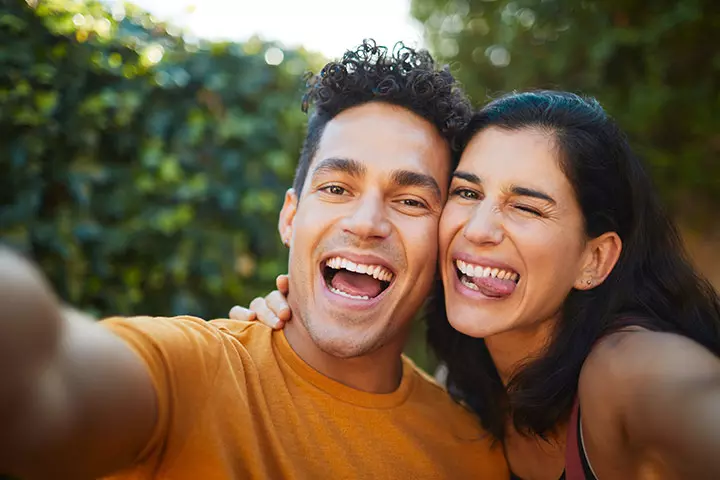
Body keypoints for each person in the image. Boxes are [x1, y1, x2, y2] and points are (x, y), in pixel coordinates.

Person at [0, 41, 511, 479]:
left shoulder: (473, 454)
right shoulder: (192, 371)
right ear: (291, 217)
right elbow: (46, 382)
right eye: (336, 188)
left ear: (446, 240)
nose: (366, 222)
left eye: (411, 201)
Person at [232, 90, 720, 479]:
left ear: (594, 258)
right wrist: (286, 336)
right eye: (467, 193)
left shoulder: (630, 370)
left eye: (526, 207)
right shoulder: (465, 395)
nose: (479, 229)